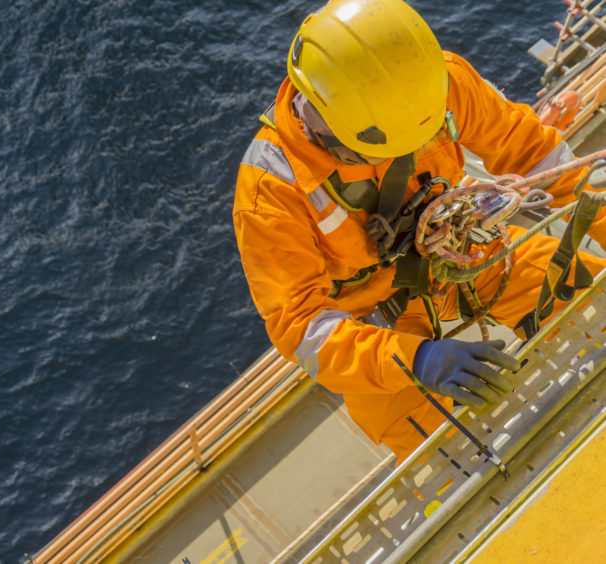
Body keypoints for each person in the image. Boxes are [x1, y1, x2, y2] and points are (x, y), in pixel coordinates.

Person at [233, 0, 606, 462]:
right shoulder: (271, 192)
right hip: (380, 322)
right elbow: (301, 325)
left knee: (592, 297)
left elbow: (534, 153)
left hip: (467, 255)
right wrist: (414, 359)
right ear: (329, 125)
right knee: (449, 459)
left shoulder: (433, 87)